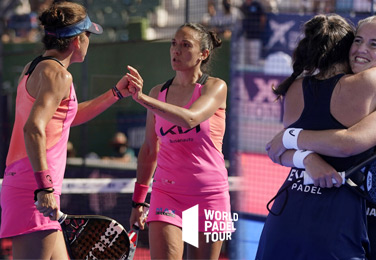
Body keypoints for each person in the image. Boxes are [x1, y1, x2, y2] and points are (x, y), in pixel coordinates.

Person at [255, 14, 376, 259]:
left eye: (374, 44)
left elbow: (345, 143)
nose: (361, 49)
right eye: (357, 41)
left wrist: (291, 137)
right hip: (340, 213)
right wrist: (306, 157)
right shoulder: (367, 83)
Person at [0, 1, 131, 259]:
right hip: (34, 189)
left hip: (29, 185)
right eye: (88, 35)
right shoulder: (59, 75)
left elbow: (64, 119)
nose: (89, 41)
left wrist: (115, 94)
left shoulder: (33, 68)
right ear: (77, 40)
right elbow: (33, 128)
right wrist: (44, 187)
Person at [126, 23, 231, 259]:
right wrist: (138, 202)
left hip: (209, 195)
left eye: (186, 45)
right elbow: (150, 150)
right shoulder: (157, 93)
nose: (176, 50)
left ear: (203, 54)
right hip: (167, 193)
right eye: (174, 44)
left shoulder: (215, 87)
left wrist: (141, 98)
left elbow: (190, 118)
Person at [240, 0, 267, 66]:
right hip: (246, 36)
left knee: (254, 59)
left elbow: (263, 17)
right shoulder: (243, 6)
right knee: (246, 59)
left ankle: (254, 76)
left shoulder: (257, 4)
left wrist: (259, 28)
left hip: (255, 36)